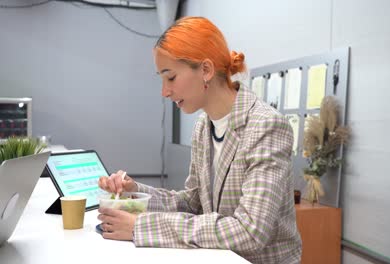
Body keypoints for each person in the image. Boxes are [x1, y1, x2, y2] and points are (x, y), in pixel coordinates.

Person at [97, 16, 302, 263]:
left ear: (205, 70)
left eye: (170, 77)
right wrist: (136, 192)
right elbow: (193, 202)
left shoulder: (266, 126)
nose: (165, 91)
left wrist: (143, 226)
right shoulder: (203, 128)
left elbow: (250, 231)